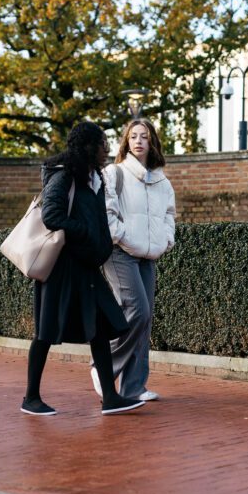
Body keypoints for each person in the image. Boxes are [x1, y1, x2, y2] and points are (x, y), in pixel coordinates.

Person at [22, 121, 146, 416]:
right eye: (102, 142)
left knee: (100, 329)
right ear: (89, 146)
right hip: (61, 270)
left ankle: (111, 398)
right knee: (45, 331)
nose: (106, 148)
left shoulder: (95, 179)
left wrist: (100, 244)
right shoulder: (65, 175)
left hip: (86, 267)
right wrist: (86, 233)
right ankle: (30, 398)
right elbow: (52, 215)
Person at [89, 117, 176, 402]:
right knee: (136, 311)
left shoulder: (162, 181)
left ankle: (133, 387)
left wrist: (166, 239)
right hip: (119, 252)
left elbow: (169, 215)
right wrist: (122, 236)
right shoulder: (115, 173)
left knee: (145, 318)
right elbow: (106, 211)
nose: (139, 141)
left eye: (145, 136)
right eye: (134, 136)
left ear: (153, 143)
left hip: (148, 256)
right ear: (126, 141)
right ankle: (102, 369)